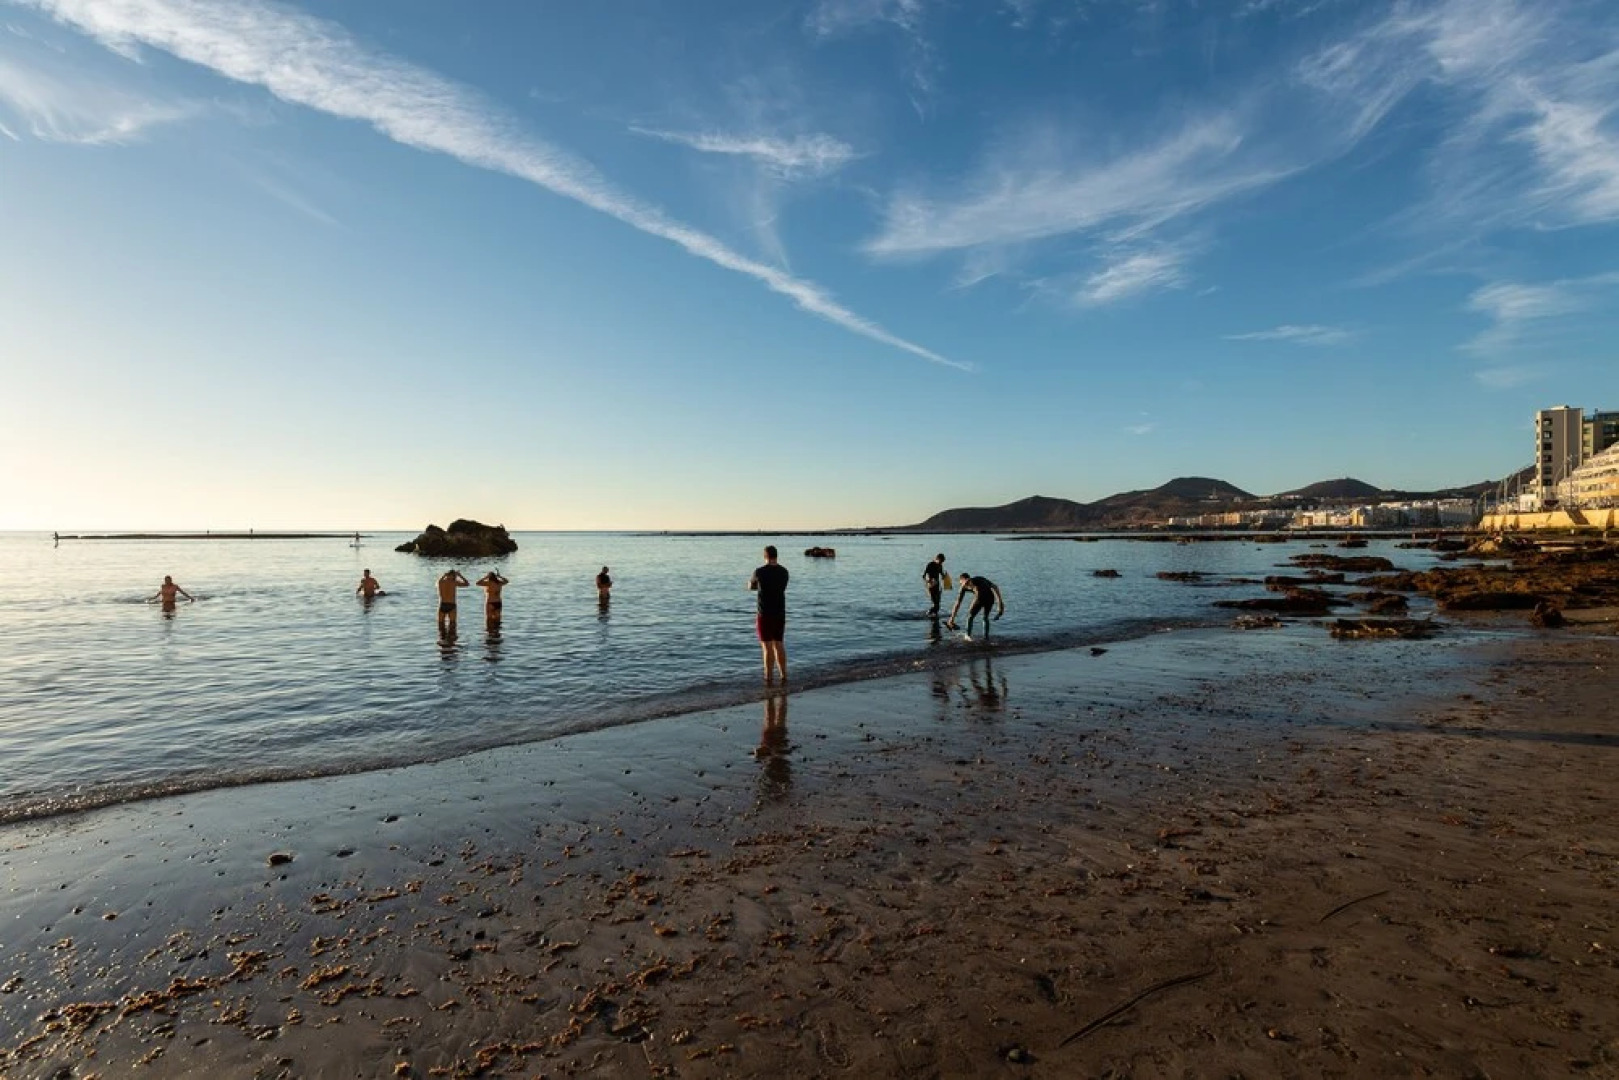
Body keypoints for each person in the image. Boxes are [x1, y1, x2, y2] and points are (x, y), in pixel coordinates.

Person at [748, 545, 789, 683]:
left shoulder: (759, 572)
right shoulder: (784, 571)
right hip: (780, 612)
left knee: (767, 647)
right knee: (779, 644)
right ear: (776, 556)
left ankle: (769, 677)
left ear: (765, 556)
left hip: (764, 613)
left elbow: (751, 586)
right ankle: (783, 675)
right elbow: (782, 587)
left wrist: (752, 585)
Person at [947, 572, 1004, 638]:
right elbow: (958, 603)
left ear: (962, 580)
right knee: (984, 617)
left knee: (971, 616)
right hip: (989, 597)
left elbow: (995, 587)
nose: (962, 585)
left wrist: (1000, 603)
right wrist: (952, 618)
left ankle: (968, 636)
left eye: (961, 583)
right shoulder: (975, 581)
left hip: (985, 597)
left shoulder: (974, 580)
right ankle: (985, 637)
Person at [437, 569, 471, 635]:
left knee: (440, 625)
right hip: (452, 604)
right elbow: (467, 584)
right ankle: (452, 639)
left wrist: (444, 575)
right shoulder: (454, 582)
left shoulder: (441, 582)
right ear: (454, 576)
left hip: (443, 604)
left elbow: (439, 580)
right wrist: (460, 575)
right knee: (452, 624)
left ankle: (443, 639)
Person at [922, 552, 947, 617]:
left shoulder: (940, 566)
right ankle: (927, 614)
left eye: (942, 562)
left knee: (938, 605)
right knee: (935, 604)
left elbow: (942, 576)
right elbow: (924, 576)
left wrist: (945, 576)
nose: (941, 563)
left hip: (937, 586)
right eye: (940, 561)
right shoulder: (930, 564)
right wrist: (928, 581)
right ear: (937, 559)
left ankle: (934, 616)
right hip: (930, 586)